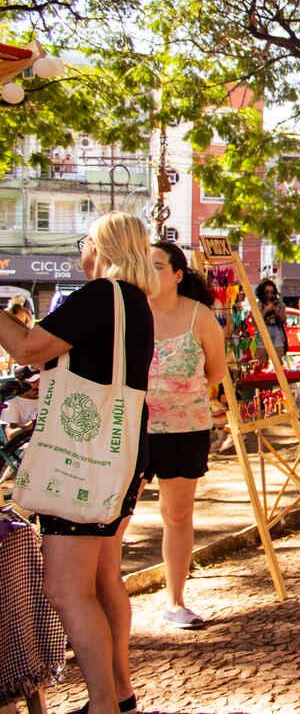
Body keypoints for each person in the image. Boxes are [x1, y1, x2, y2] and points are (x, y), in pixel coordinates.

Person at [0, 212, 158, 714]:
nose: (80, 250)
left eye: (84, 241)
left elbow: (26, 346)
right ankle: (115, 697)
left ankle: (103, 705)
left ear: (103, 246)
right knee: (96, 580)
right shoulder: (136, 303)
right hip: (121, 454)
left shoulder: (98, 296)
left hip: (83, 460)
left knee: (68, 591)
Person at [140, 241, 227, 629]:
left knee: (177, 516)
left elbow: (216, 371)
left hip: (185, 429)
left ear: (177, 274)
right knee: (115, 518)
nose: (150, 272)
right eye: (145, 265)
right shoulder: (131, 314)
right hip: (133, 430)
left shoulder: (200, 316)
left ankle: (175, 601)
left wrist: (181, 396)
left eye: (158, 265)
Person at [254, 279, 289, 357]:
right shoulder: (259, 305)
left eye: (272, 292)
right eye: (267, 292)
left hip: (277, 331)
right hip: (263, 331)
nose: (270, 294)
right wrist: (265, 310)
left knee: (278, 360)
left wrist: (277, 310)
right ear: (262, 293)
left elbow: (284, 320)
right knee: (261, 361)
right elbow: (256, 323)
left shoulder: (279, 304)